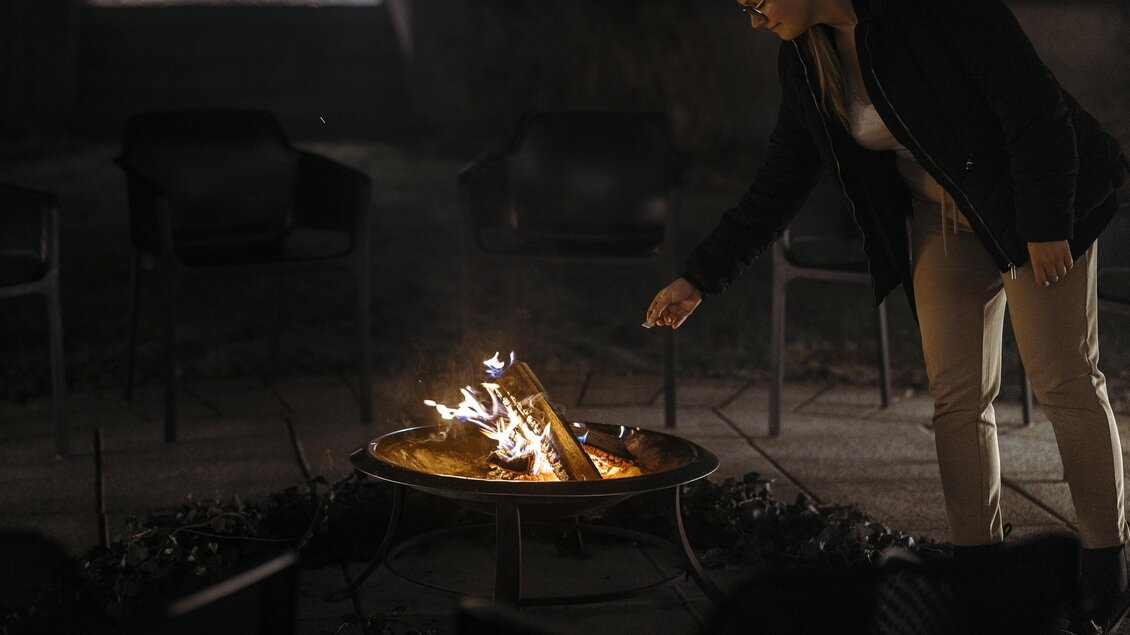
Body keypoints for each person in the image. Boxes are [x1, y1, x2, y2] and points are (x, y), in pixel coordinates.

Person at [645, 0, 1129, 630]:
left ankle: (1104, 570)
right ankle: (975, 577)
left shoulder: (932, 12)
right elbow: (782, 177)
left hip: (1035, 209)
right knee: (956, 397)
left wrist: (1044, 225)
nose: (754, 21)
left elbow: (1035, 108)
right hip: (942, 221)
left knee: (1064, 381)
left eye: (757, 2)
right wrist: (701, 275)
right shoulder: (806, 57)